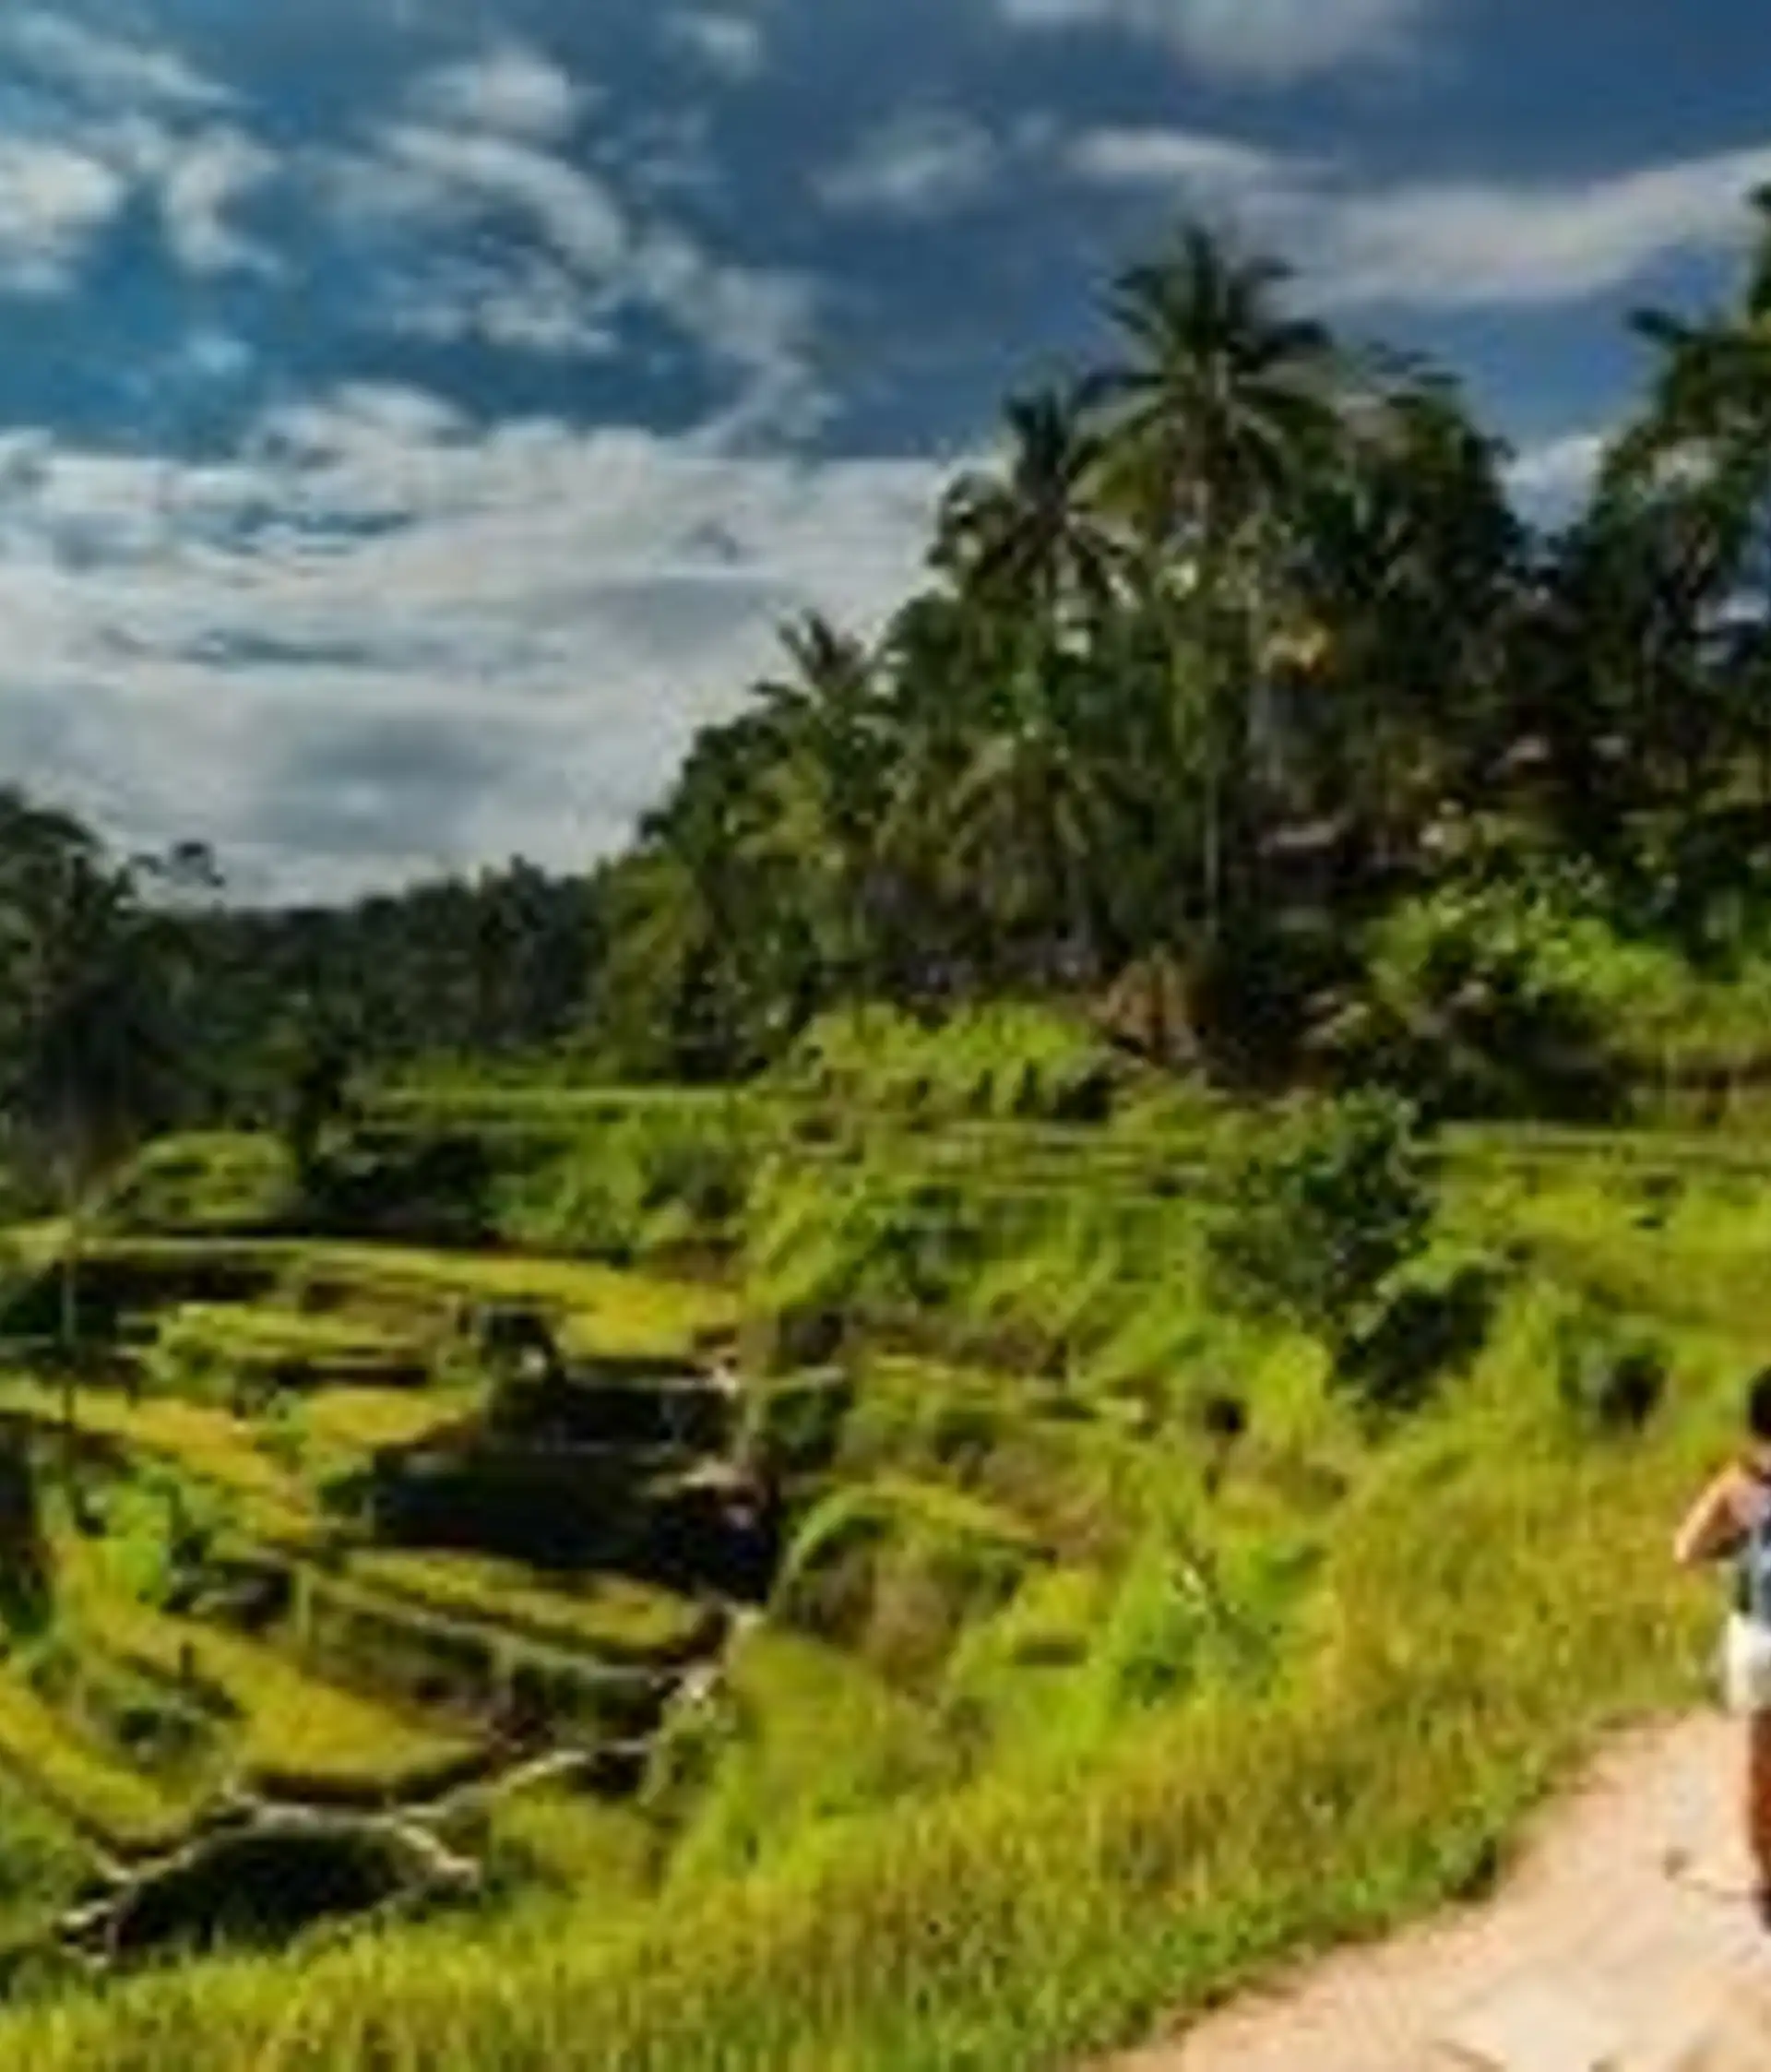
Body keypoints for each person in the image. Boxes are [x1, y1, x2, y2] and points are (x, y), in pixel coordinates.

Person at [1675, 1368, 1771, 1917]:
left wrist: (1734, 1547)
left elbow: (1683, 1550)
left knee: (1760, 1764)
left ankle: (1766, 1877)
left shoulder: (1738, 1483)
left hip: (1758, 1638)